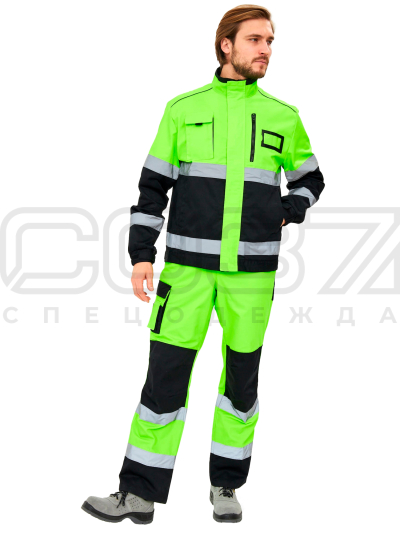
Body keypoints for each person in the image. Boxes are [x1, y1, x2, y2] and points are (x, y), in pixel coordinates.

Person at [81, 4, 325, 525]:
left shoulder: (284, 116)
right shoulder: (182, 109)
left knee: (241, 384)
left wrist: (286, 209)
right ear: (225, 44)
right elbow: (152, 188)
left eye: (270, 41)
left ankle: (226, 485)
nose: (266, 49)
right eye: (256, 39)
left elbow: (310, 179)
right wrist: (141, 256)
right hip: (186, 274)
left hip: (252, 277)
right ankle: (139, 493)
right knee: (163, 383)